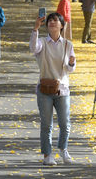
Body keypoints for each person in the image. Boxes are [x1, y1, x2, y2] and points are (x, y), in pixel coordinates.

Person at [30, 12, 76, 166]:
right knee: (46, 124)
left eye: (56, 20)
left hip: (62, 89)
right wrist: (35, 29)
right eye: (50, 20)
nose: (52, 22)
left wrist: (71, 63)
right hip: (44, 89)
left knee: (65, 123)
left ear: (62, 25)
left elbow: (70, 69)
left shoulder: (68, 44)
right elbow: (33, 48)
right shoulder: (42, 42)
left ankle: (63, 149)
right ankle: (47, 155)